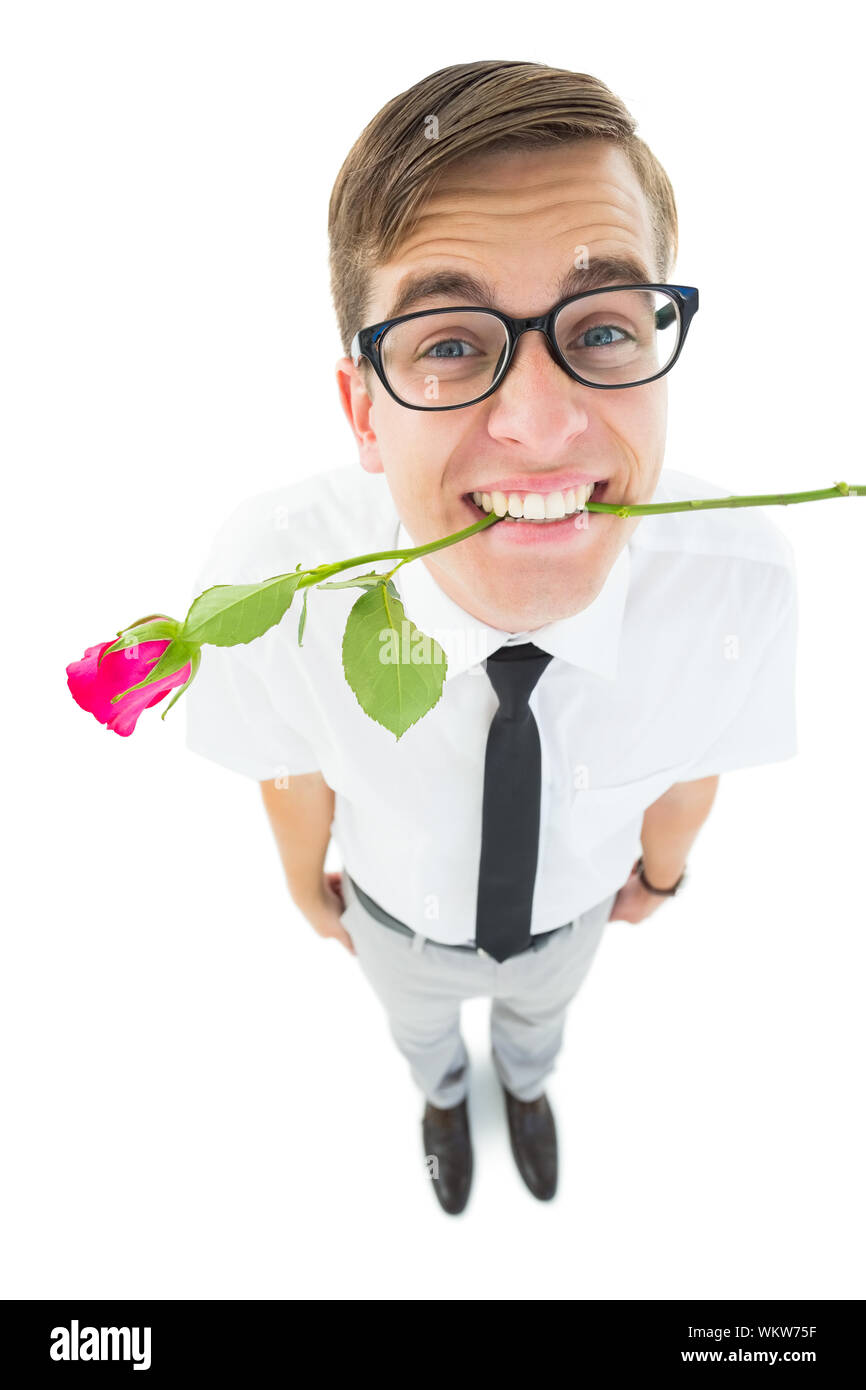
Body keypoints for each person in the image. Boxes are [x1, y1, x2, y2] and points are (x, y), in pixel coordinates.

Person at [184, 60, 798, 1216]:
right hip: (394, 920)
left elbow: (691, 760)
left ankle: (521, 1087)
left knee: (541, 1024)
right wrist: (311, 899)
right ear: (364, 410)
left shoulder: (735, 582)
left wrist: (658, 878)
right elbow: (290, 767)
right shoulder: (273, 580)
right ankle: (438, 1096)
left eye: (602, 325)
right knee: (418, 1031)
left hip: (571, 916)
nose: (542, 423)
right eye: (451, 345)